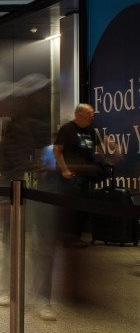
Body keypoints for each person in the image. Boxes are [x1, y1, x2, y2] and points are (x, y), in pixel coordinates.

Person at [53, 103, 101, 246]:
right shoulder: (67, 129)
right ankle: (68, 238)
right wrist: (64, 169)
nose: (92, 116)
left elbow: (96, 149)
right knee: (70, 208)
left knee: (82, 207)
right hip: (70, 176)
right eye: (89, 113)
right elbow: (57, 150)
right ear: (79, 114)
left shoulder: (90, 131)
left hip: (85, 175)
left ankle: (77, 236)